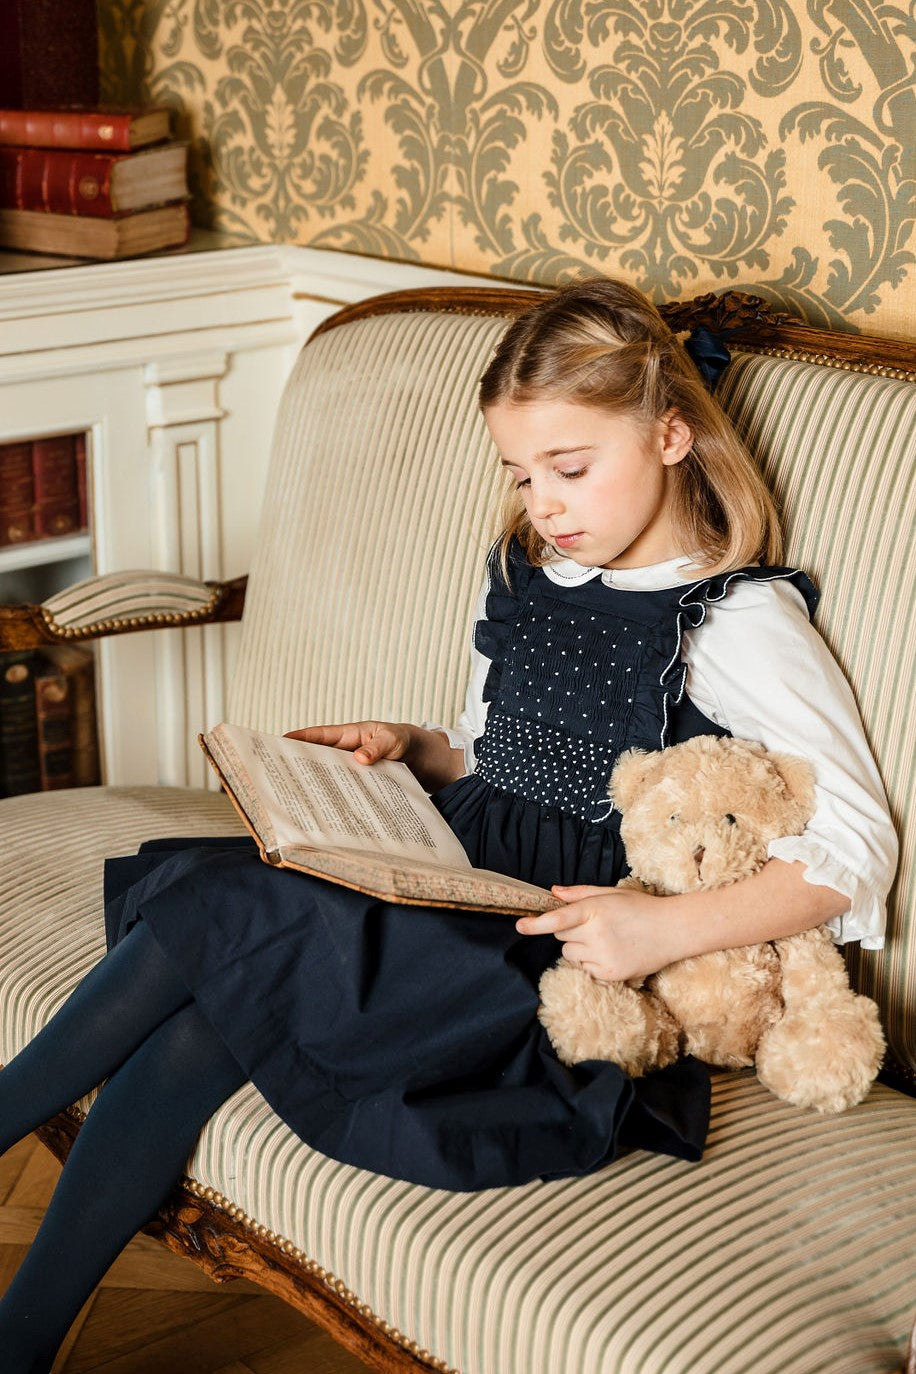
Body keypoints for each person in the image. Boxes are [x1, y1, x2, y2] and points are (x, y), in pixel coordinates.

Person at [0, 278, 897, 1372]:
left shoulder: (737, 615)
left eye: (569, 468)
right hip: (448, 861)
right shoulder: (528, 572)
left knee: (216, 922)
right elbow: (486, 742)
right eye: (521, 474)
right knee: (212, 985)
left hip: (549, 932)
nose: (543, 502)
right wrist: (406, 745)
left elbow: (853, 848)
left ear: (672, 435)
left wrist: (661, 932)